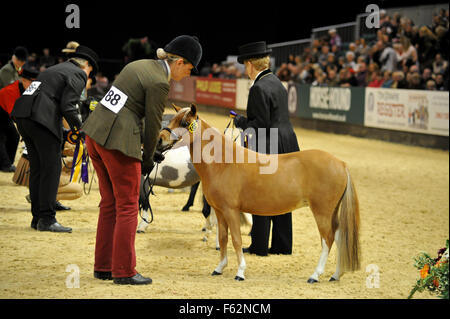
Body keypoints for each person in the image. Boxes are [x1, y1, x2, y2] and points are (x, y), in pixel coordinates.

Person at [81, 35, 202, 285]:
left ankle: (104, 266)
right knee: (127, 206)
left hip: (95, 134)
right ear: (179, 62)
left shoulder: (136, 65)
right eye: (189, 68)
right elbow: (154, 124)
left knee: (110, 203)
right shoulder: (160, 82)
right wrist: (148, 157)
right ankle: (124, 270)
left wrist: (148, 149)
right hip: (118, 142)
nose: (188, 74)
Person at [11, 45, 99, 233]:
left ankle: (37, 218)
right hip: (40, 119)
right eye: (91, 72)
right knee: (51, 169)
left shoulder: (53, 70)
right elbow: (68, 106)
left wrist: (63, 131)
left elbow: (49, 101)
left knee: (38, 169)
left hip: (24, 116)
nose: (89, 76)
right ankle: (48, 219)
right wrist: (81, 129)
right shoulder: (79, 74)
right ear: (87, 66)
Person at [233, 41, 299, 257]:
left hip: (269, 142)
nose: (245, 69)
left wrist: (240, 122)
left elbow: (259, 125)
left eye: (245, 65)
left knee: (261, 192)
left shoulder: (258, 88)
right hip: (288, 140)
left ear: (251, 64)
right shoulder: (276, 81)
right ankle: (282, 244)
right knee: (282, 193)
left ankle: (259, 245)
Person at [0, 64, 39, 172]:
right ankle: (5, 165)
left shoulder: (31, 87)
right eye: (32, 82)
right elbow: (16, 115)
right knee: (1, 138)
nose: (35, 86)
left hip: (5, 115)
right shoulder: (11, 91)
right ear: (24, 80)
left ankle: (8, 163)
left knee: (14, 136)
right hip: (3, 112)